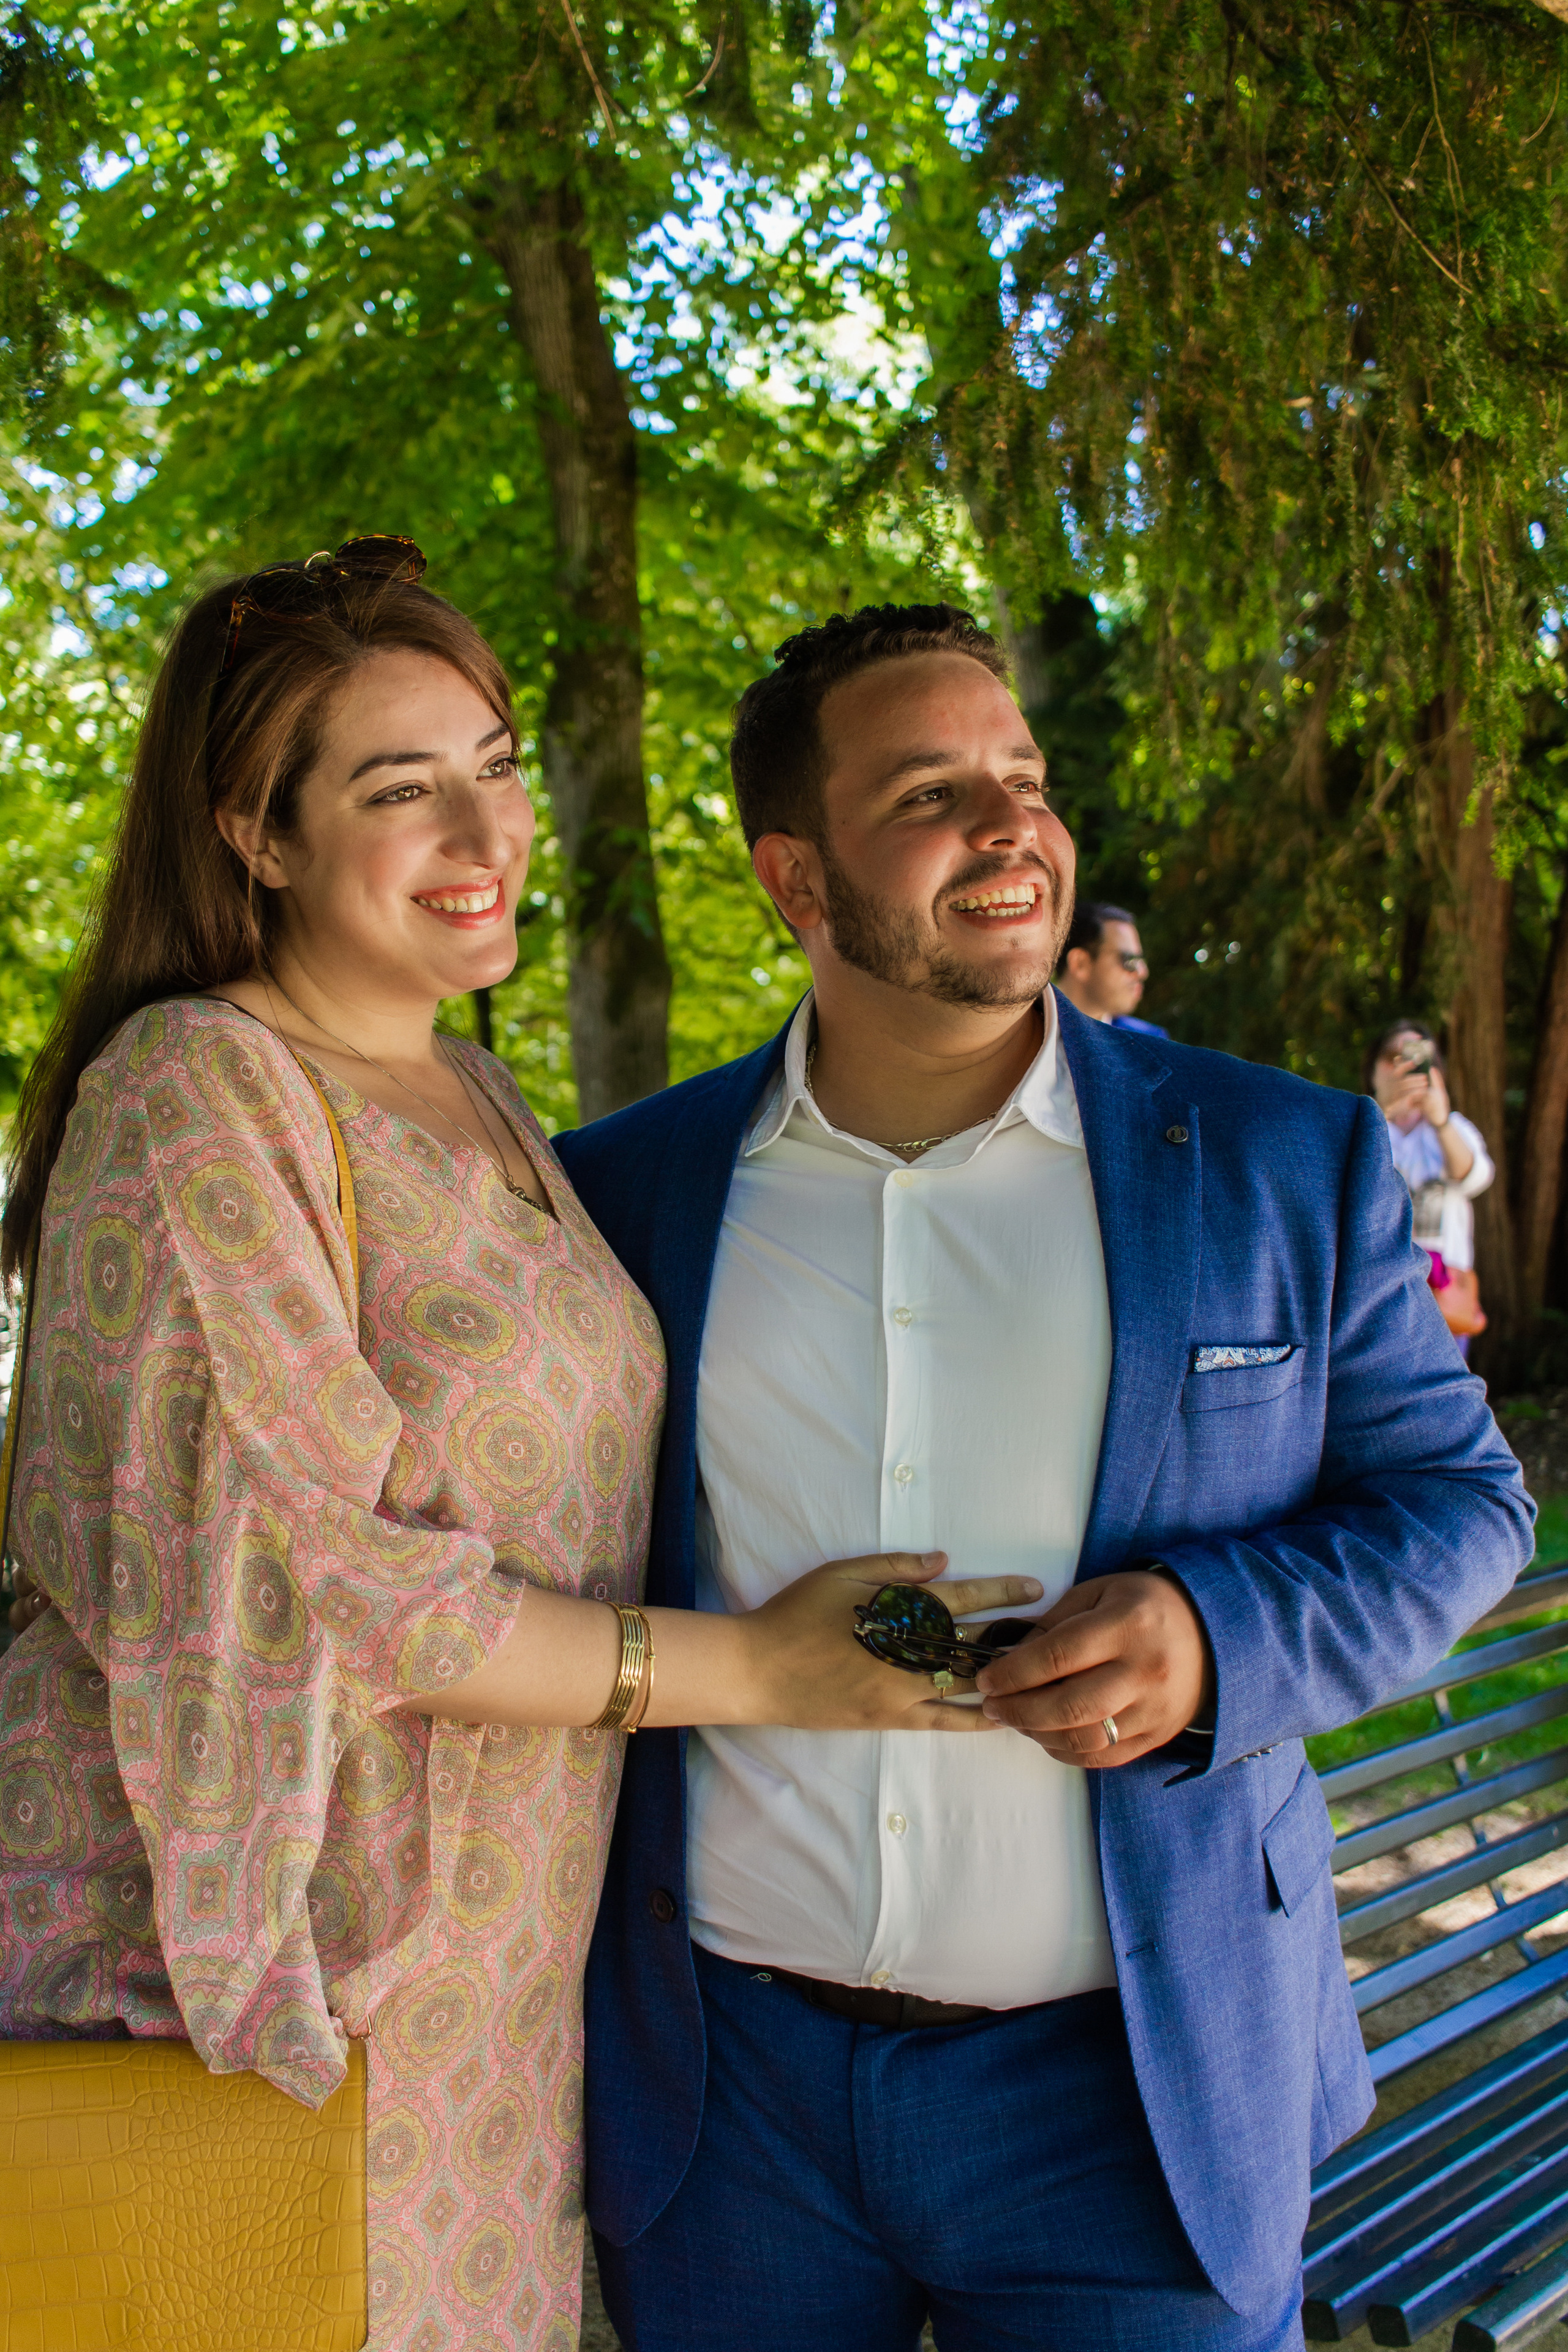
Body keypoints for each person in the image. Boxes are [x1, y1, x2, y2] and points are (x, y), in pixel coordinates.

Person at [0, 552, 1038, 2352]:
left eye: (493, 762)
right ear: (251, 829)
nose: (483, 823)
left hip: (497, 2008)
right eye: (399, 788)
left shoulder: (478, 1093)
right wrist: (759, 1669)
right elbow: (328, 1582)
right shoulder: (198, 1088)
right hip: (259, 1990)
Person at [554, 602, 1532, 2352]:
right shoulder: (619, 1195)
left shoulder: (1274, 1158)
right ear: (797, 877)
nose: (1013, 825)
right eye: (934, 790)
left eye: (1025, 775)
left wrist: (1214, 1635)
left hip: (1138, 2094)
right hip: (728, 2102)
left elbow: (1463, 1508)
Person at [1366, 1019, 1494, 1352]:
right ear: (1373, 1070)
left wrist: (1440, 1120)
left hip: (1445, 1295)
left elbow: (1475, 1178)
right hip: (1376, 1292)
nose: (1405, 1065)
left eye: (1421, 1057)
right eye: (1394, 1055)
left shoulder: (1453, 1128)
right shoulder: (1361, 1128)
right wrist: (1383, 1110)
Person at [1055, 897, 1167, 1035]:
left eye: (1141, 961)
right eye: (1129, 960)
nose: (1143, 972)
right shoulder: (1024, 1034)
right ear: (1080, 964)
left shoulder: (1150, 1044)